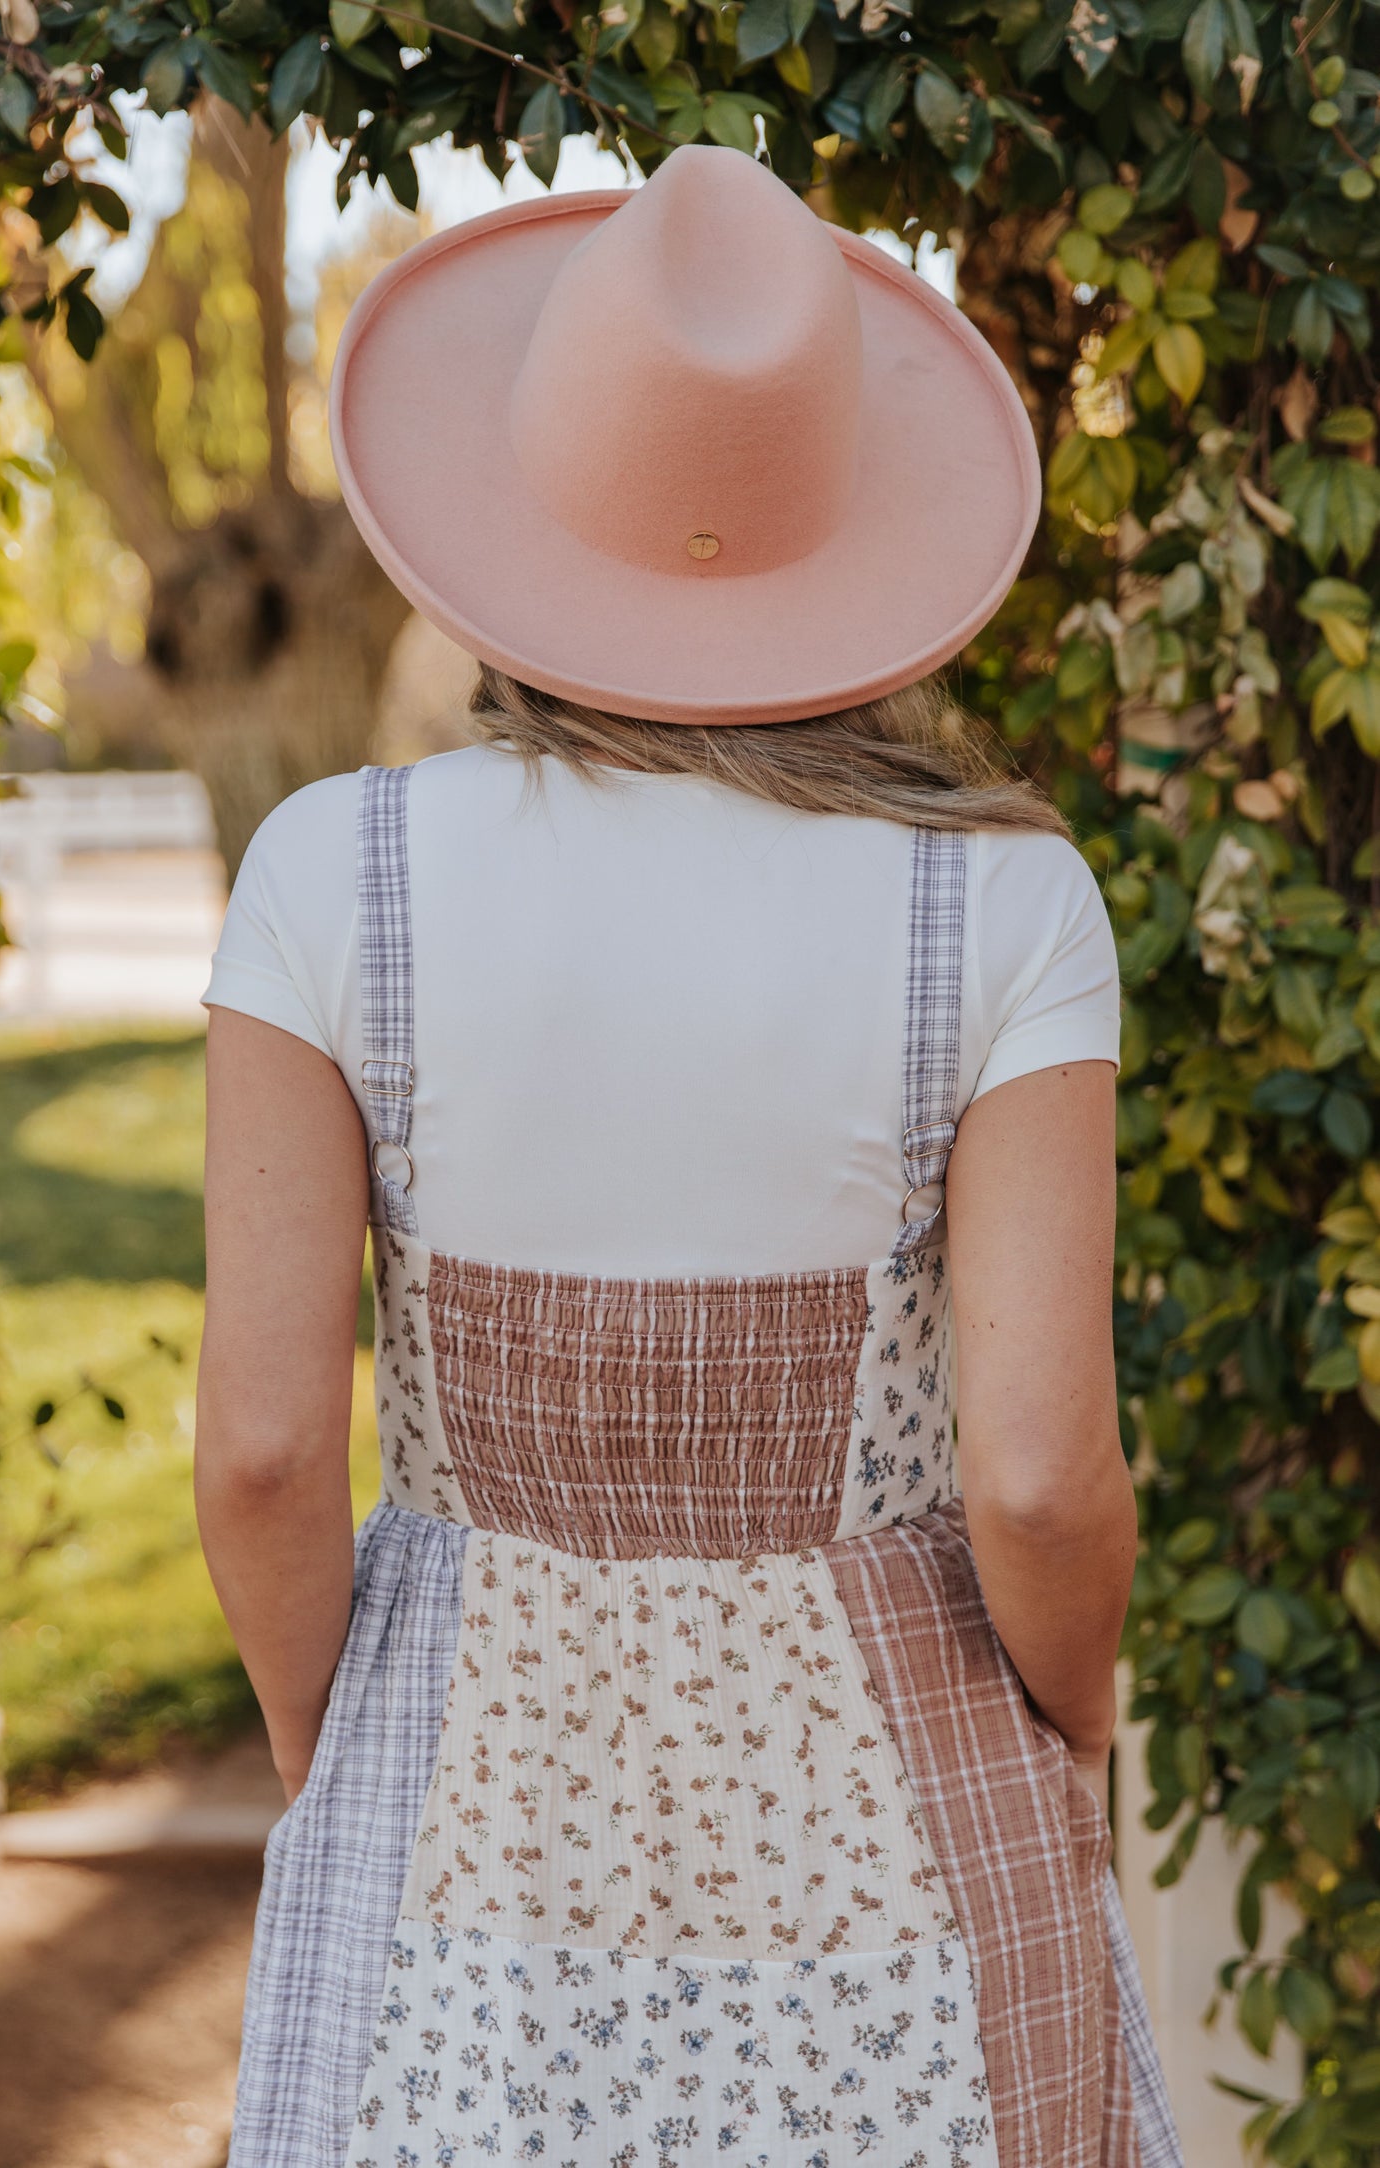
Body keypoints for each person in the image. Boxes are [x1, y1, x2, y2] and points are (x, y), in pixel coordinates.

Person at [196, 144, 1183, 2168]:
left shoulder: (337, 878)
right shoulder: (993, 909)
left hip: (469, 1819)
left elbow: (270, 1451)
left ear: (522, 509)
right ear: (852, 526)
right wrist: (1066, 1725)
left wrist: (334, 1737)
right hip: (901, 1828)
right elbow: (1035, 1475)